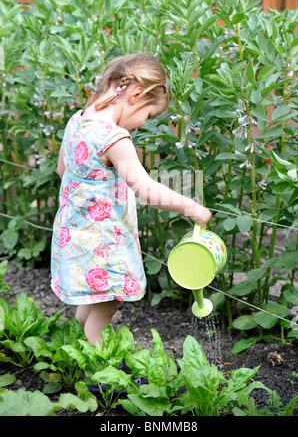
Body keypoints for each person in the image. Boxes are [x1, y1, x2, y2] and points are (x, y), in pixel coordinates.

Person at [51, 53, 211, 346]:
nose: (142, 124)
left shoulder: (78, 121)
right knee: (105, 310)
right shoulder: (114, 139)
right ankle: (100, 371)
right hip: (103, 244)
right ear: (136, 95)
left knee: (92, 299)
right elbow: (145, 188)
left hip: (73, 237)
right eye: (148, 116)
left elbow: (63, 170)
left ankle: (77, 341)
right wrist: (192, 207)